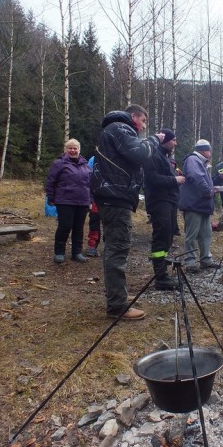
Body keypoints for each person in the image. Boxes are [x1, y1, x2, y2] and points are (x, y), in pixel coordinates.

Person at [91, 105, 165, 321]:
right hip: (115, 196)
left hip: (111, 195)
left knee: (114, 247)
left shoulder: (113, 129)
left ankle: (117, 295)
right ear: (134, 117)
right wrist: (154, 139)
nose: (143, 126)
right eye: (143, 121)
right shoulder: (121, 129)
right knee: (118, 247)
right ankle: (117, 306)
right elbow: (140, 153)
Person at [144, 128, 185, 290]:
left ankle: (162, 271)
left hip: (169, 201)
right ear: (165, 140)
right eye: (173, 140)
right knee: (161, 237)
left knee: (168, 237)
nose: (175, 143)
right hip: (159, 202)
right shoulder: (153, 155)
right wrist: (174, 180)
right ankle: (160, 277)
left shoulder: (165, 158)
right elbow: (152, 179)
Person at [45, 138, 91, 264]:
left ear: (79, 150)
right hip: (65, 201)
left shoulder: (85, 165)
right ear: (65, 150)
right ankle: (59, 252)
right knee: (65, 226)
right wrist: (51, 197)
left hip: (83, 202)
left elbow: (90, 184)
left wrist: (90, 199)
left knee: (79, 228)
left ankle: (77, 253)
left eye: (75, 148)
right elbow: (50, 182)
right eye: (70, 148)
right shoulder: (59, 163)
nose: (72, 150)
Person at [179, 139, 219, 273]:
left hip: (202, 205)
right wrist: (208, 191)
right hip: (194, 204)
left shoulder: (202, 162)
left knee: (206, 235)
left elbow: (202, 179)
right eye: (209, 150)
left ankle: (206, 260)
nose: (210, 153)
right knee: (191, 235)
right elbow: (196, 176)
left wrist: (213, 189)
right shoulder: (193, 160)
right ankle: (190, 262)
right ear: (204, 150)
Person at [86, 155, 101, 257]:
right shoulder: (94, 159)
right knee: (94, 222)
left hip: (112, 198)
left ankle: (110, 247)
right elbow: (88, 178)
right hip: (96, 197)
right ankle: (92, 246)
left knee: (111, 224)